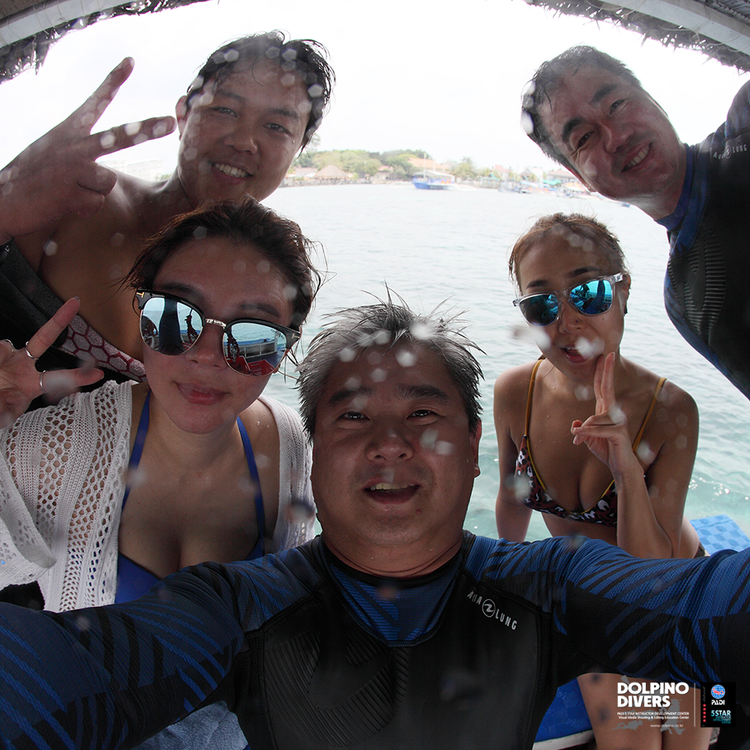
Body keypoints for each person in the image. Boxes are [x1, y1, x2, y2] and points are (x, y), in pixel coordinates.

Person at [0, 298, 749, 750]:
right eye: (354, 417)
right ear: (315, 454)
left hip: (605, 684)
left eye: (424, 413)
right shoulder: (238, 607)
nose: (391, 443)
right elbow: (66, 676)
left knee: (666, 703)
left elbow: (705, 609)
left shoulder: (553, 588)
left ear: (475, 448)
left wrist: (714, 701)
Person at [0, 196, 319, 749]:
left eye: (254, 337)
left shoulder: (291, 443)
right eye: (174, 318)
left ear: (285, 351)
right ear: (140, 317)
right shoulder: (59, 446)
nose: (207, 355)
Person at [0, 31, 334, 383]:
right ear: (183, 114)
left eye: (276, 126)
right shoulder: (74, 201)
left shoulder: (269, 286)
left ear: (299, 148)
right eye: (225, 109)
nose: (243, 141)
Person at [494, 213, 709, 748]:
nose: (567, 323)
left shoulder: (670, 410)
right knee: (632, 744)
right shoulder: (515, 392)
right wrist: (503, 592)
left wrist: (626, 472)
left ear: (623, 291)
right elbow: (512, 498)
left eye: (587, 294)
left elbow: (654, 570)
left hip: (678, 592)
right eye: (542, 305)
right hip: (596, 602)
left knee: (691, 737)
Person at [521, 45, 750, 401]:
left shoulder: (745, 122)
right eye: (584, 138)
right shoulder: (689, 300)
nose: (616, 137)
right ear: (579, 175)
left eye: (617, 105)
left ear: (654, 100)